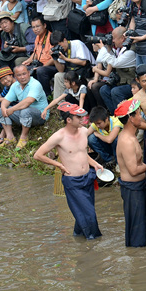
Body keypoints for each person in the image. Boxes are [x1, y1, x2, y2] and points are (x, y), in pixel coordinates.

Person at [33, 102, 103, 239]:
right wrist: (59, 165)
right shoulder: (59, 136)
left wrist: (95, 164)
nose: (83, 119)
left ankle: (78, 236)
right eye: (79, 117)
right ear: (69, 120)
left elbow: (82, 153)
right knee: (89, 213)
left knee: (85, 211)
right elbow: (38, 155)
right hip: (73, 181)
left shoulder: (83, 131)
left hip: (88, 177)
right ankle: (94, 240)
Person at [114, 98, 146, 247]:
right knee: (136, 225)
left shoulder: (133, 136)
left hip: (142, 184)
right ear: (130, 118)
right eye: (138, 114)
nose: (141, 116)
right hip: (132, 187)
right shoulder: (127, 141)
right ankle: (137, 251)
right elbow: (134, 170)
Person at [0, 64, 49, 149]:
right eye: (19, 75)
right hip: (23, 115)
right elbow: (6, 100)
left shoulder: (35, 84)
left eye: (24, 74)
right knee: (1, 110)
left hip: (40, 116)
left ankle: (23, 138)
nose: (22, 77)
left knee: (25, 110)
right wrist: (3, 108)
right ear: (15, 76)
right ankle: (10, 137)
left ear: (29, 73)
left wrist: (12, 109)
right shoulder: (15, 85)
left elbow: (28, 102)